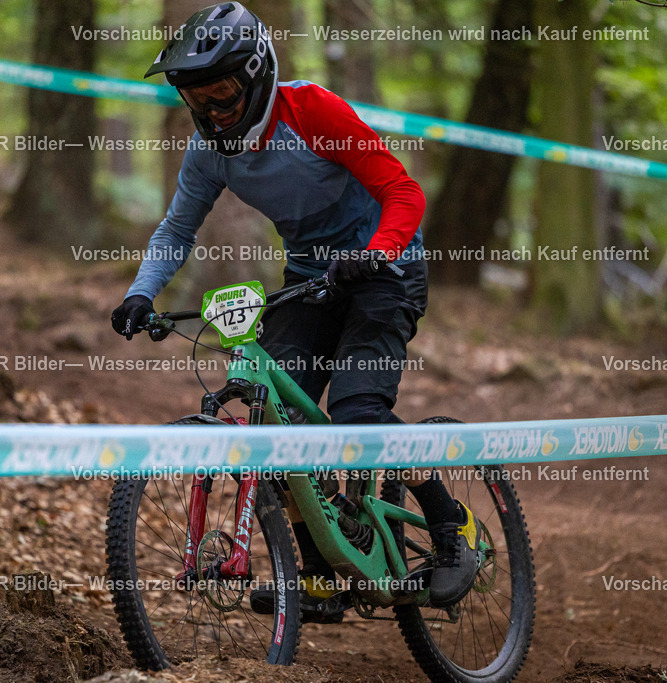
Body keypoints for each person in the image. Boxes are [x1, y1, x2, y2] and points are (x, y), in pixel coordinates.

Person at [110, 1, 478, 616]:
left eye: (223, 95)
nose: (212, 111)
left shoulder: (312, 112)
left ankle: (449, 525)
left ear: (256, 77)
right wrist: (140, 293)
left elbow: (403, 191)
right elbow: (176, 229)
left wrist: (377, 253)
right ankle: (320, 576)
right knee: (274, 423)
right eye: (197, 99)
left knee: (357, 411)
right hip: (312, 278)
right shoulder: (208, 152)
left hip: (385, 269)